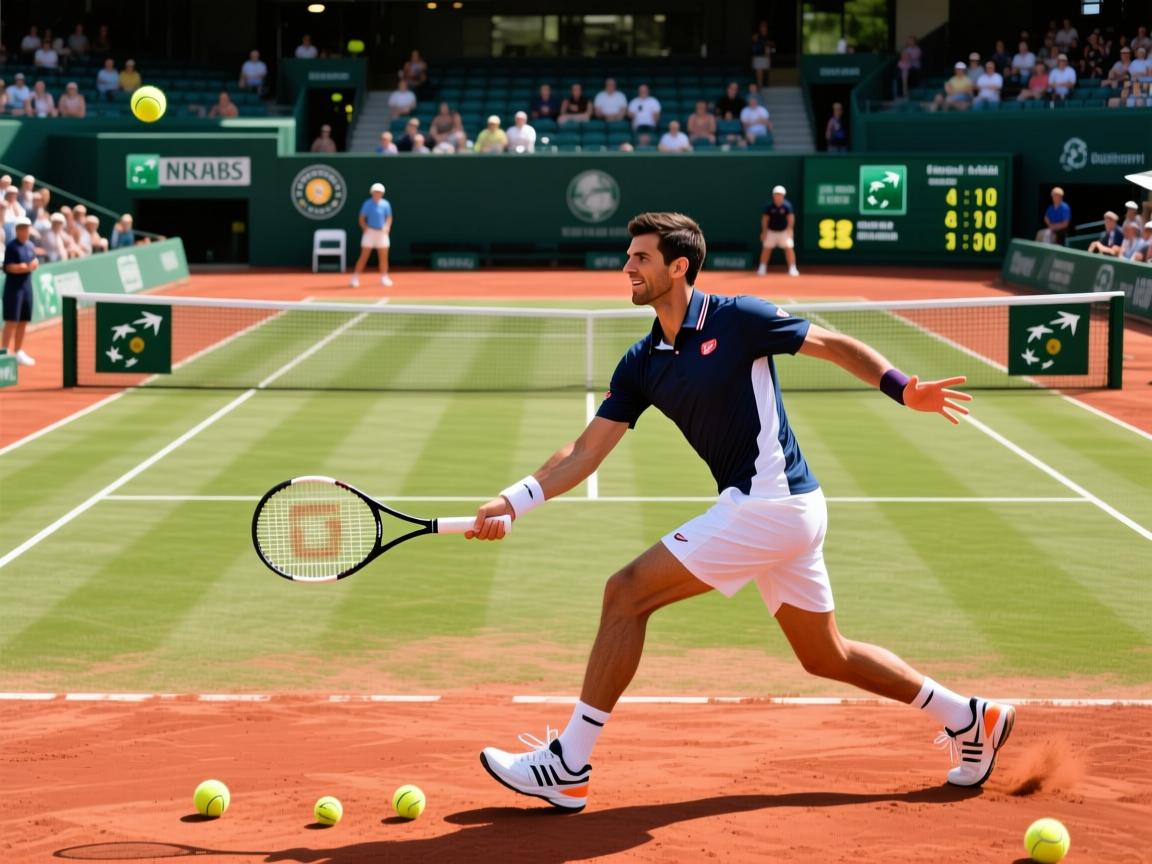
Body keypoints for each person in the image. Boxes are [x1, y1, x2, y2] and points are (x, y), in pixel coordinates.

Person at [473, 211, 1007, 813]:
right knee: (824, 655)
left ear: (679, 266)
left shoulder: (739, 318)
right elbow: (585, 449)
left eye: (640, 257)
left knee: (626, 593)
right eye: (628, 256)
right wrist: (515, 500)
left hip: (770, 503)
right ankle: (969, 717)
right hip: (783, 510)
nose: (627, 266)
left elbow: (830, 344)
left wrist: (902, 387)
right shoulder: (643, 360)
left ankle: (569, 763)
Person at [2, 217, 39, 367]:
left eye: (27, 228)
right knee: (11, 321)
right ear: (17, 230)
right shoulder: (11, 247)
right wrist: (24, 267)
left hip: (26, 289)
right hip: (13, 289)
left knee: (23, 321)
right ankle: (3, 352)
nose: (24, 230)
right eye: (21, 228)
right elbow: (9, 267)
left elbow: (35, 261)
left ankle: (18, 352)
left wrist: (31, 265)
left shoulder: (30, 245)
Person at [351, 182, 392, 288]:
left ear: (382, 193)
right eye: (375, 192)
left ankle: (384, 277)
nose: (377, 194)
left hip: (382, 233)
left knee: (383, 256)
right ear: (372, 193)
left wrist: (387, 226)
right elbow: (361, 218)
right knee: (364, 256)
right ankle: (355, 278)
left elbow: (389, 217)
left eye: (379, 192)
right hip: (370, 232)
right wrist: (365, 228)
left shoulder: (386, 204)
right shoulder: (367, 204)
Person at [758, 185, 799, 277]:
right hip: (771, 231)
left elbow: (791, 218)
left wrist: (790, 230)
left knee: (789, 248)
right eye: (776, 194)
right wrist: (764, 232)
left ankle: (792, 268)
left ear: (783, 195)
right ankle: (762, 267)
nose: (778, 196)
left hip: (784, 232)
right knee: (766, 249)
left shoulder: (787, 206)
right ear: (773, 195)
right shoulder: (769, 206)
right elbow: (765, 219)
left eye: (780, 194)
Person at [751, 21, 772, 88]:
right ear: (760, 28)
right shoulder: (756, 36)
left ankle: (763, 87)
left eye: (765, 26)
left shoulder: (768, 37)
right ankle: (760, 88)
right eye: (762, 26)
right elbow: (754, 47)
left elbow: (768, 48)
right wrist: (753, 58)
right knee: (759, 74)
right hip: (758, 57)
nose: (763, 28)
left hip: (765, 57)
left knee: (764, 74)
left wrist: (768, 58)